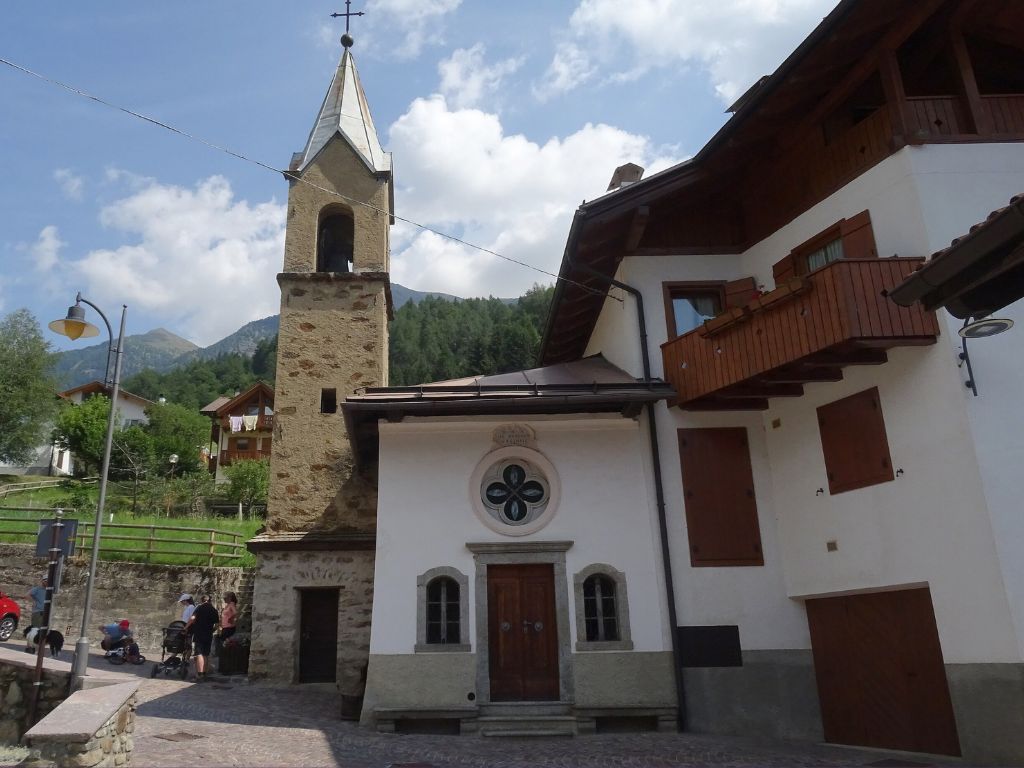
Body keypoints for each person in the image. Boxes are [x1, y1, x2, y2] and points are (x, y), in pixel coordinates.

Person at [186, 595, 218, 682]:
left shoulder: (199, 607)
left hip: (199, 633)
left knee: (199, 653)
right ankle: (204, 674)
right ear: (210, 601)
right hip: (208, 634)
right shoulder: (214, 610)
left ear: (202, 600)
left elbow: (192, 618)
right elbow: (217, 624)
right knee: (206, 654)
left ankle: (200, 675)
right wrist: (212, 630)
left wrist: (186, 627)